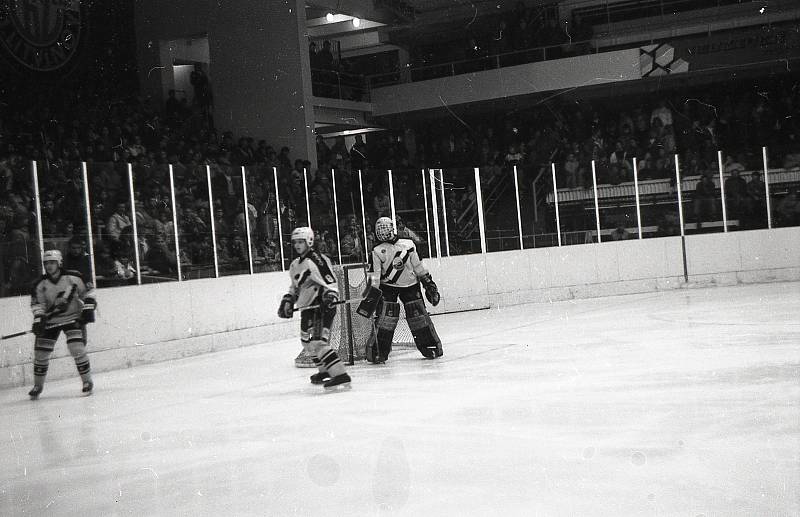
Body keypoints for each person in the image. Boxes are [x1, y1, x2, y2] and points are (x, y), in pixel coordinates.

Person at [278, 227, 351, 390]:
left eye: (301, 242)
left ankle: (341, 375)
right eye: (295, 242)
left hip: (321, 307)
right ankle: (325, 371)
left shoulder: (317, 259)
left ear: (309, 241)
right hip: (307, 308)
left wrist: (330, 296)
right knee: (307, 342)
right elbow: (295, 287)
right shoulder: (295, 264)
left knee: (318, 342)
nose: (297, 245)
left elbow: (331, 282)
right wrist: (289, 300)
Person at [367, 217, 442, 363]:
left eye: (385, 228)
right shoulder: (376, 251)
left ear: (392, 228)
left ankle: (430, 346)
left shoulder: (408, 244)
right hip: (388, 288)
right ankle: (378, 352)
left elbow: (418, 266)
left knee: (419, 317)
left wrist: (428, 283)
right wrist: (371, 294)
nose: (382, 232)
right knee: (384, 320)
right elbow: (374, 277)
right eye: (379, 229)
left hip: (411, 285)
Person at [28, 250, 96, 399]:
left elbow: (89, 291)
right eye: (46, 263)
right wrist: (39, 319)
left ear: (59, 263)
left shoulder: (74, 277)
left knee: (76, 348)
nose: (49, 266)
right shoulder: (40, 283)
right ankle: (38, 386)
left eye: (52, 262)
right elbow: (38, 304)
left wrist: (89, 306)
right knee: (41, 354)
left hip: (73, 318)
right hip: (51, 320)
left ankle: (87, 382)